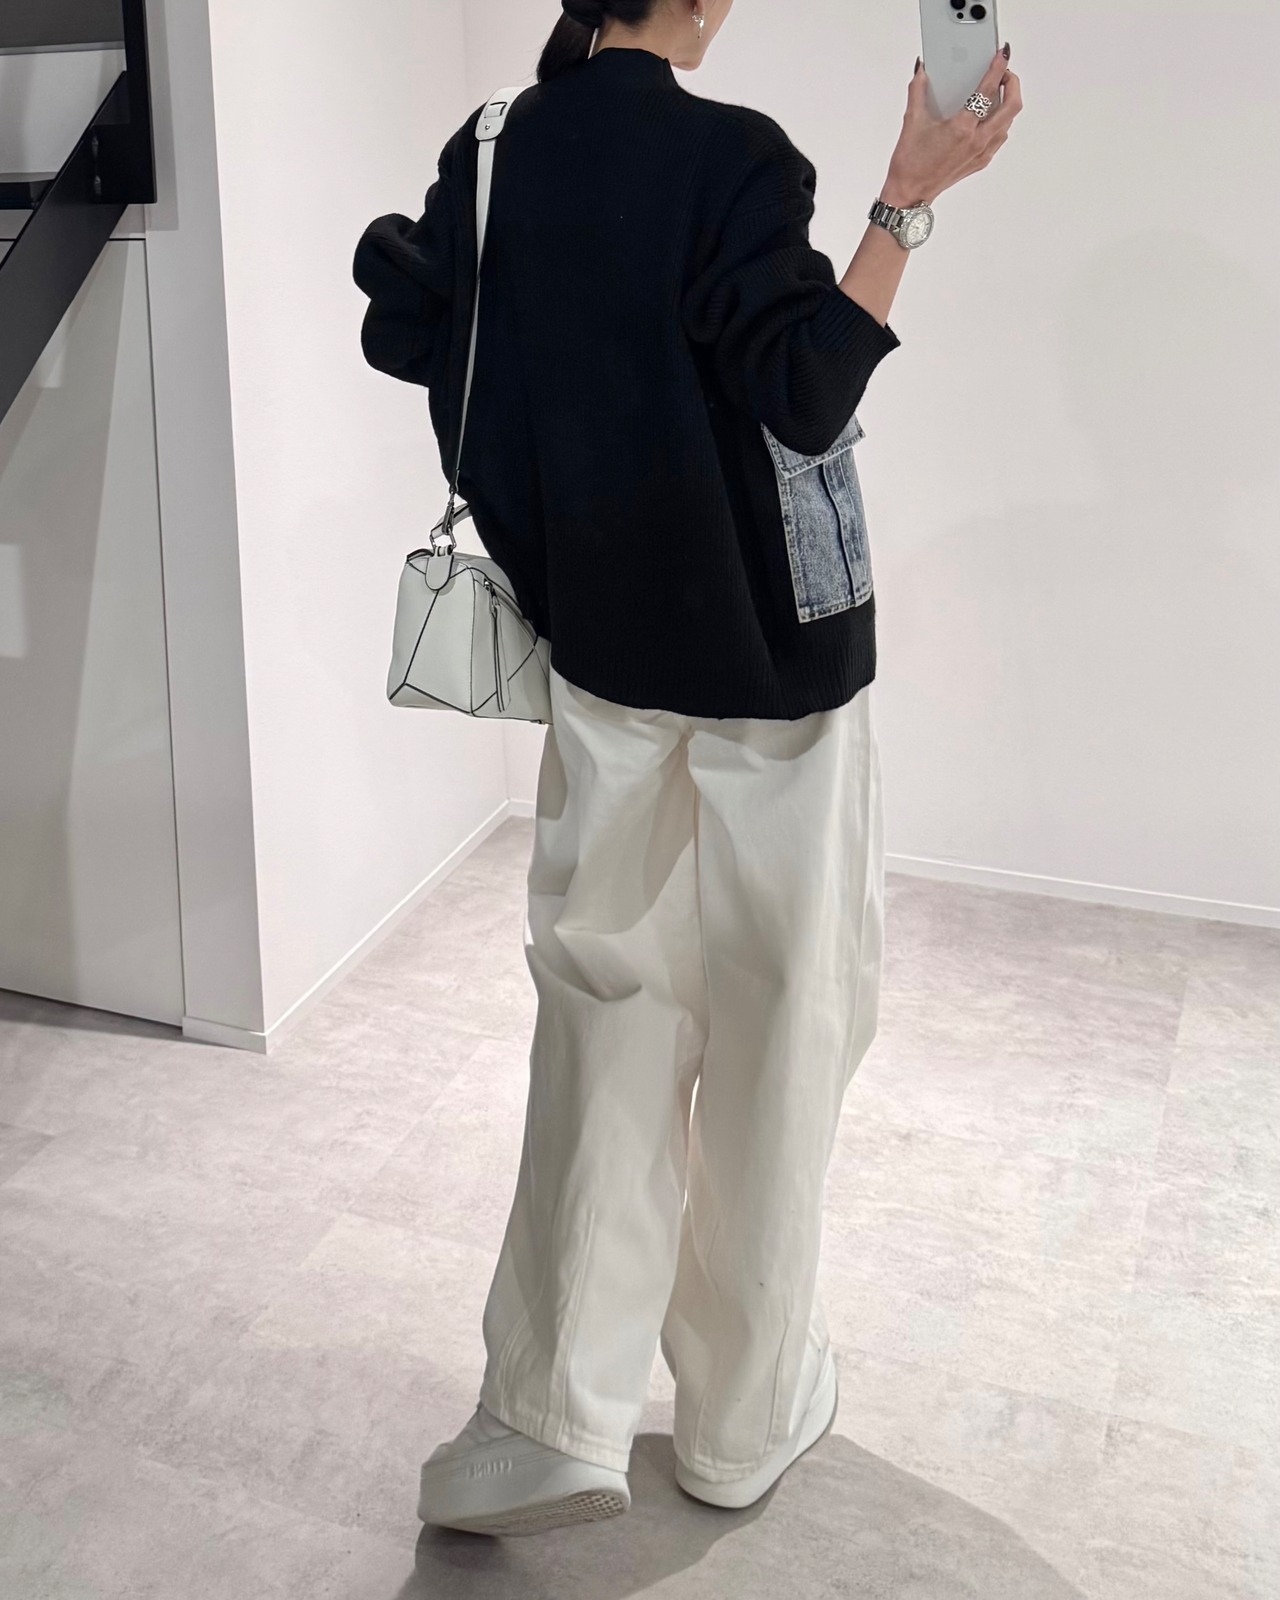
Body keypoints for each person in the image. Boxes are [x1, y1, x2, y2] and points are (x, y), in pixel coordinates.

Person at [352, 0, 1022, 1539]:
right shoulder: (737, 160)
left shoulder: (496, 149)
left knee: (606, 1018)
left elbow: (409, 327)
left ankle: (546, 1415)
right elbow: (808, 389)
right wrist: (906, 198)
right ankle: (739, 1415)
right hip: (778, 681)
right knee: (784, 1022)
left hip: (603, 662)